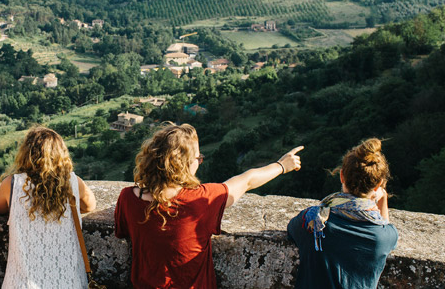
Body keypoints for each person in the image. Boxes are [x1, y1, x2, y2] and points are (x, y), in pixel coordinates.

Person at [114, 123, 303, 288]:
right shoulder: (201, 200)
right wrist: (281, 165)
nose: (199, 162)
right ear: (185, 164)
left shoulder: (127, 198)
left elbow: (125, 231)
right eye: (198, 158)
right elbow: (247, 180)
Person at [0, 126, 97, 288]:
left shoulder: (12, 184)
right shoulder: (73, 182)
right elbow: (90, 205)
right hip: (67, 282)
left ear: (26, 154)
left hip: (22, 284)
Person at [287, 138, 398, 289]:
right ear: (378, 184)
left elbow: (291, 230)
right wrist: (383, 198)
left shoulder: (312, 220)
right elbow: (384, 225)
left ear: (341, 176)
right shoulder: (383, 237)